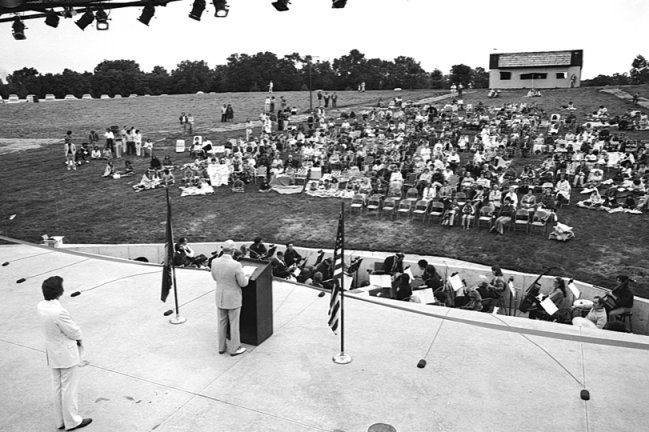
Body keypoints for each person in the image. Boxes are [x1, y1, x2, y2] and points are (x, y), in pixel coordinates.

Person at [37, 276, 93, 431]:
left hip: (52, 352)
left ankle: (60, 421)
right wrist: (80, 338)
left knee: (57, 386)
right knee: (69, 388)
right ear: (59, 292)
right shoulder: (59, 312)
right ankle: (73, 421)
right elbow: (73, 331)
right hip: (66, 354)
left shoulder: (41, 306)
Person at [211, 240, 249, 356]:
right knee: (234, 324)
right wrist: (246, 276)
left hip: (220, 297)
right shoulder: (236, 265)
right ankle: (234, 348)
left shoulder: (214, 261)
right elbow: (243, 283)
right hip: (233, 299)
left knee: (221, 322)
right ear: (233, 251)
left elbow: (214, 277)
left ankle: (221, 347)